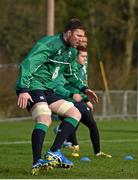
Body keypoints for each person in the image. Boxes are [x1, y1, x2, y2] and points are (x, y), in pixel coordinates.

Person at [16, 18, 98, 175]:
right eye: (78, 36)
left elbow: (70, 74)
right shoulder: (49, 44)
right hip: (33, 86)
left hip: (48, 89)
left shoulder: (72, 52)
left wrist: (84, 88)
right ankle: (36, 162)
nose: (81, 40)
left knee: (75, 113)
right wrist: (23, 89)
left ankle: (54, 152)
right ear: (68, 33)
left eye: (83, 36)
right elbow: (28, 64)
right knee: (44, 118)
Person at [53, 46, 112, 158]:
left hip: (79, 102)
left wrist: (86, 99)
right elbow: (61, 86)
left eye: (86, 56)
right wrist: (75, 96)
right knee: (76, 123)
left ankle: (94, 152)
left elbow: (80, 86)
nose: (85, 59)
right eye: (83, 56)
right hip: (68, 102)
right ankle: (67, 147)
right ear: (75, 56)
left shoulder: (81, 69)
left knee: (90, 125)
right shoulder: (68, 69)